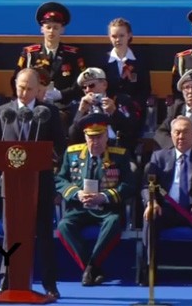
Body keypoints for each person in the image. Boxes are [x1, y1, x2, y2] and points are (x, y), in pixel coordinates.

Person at [0, 68, 66, 299]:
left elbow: (60, 148)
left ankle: (49, 284)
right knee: (10, 235)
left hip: (40, 184)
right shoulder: (4, 112)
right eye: (20, 87)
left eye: (29, 88)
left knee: (43, 234)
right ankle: (6, 280)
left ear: (38, 89)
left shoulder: (49, 113)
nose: (23, 92)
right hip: (12, 186)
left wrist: (47, 156)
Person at [56, 112, 134, 286]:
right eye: (91, 137)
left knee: (113, 222)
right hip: (80, 207)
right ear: (85, 137)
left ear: (107, 136)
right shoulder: (72, 153)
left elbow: (129, 185)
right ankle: (92, 268)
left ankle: (90, 268)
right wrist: (77, 193)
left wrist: (103, 197)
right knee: (63, 226)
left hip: (107, 209)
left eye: (99, 137)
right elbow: (60, 180)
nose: (95, 142)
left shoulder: (119, 155)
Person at [141, 116, 192, 288]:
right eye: (177, 132)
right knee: (150, 218)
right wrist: (151, 202)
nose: (181, 136)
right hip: (167, 208)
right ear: (171, 135)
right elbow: (147, 185)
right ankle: (150, 270)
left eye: (185, 132)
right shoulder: (158, 157)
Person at [12, 1, 86, 129]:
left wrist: (60, 94)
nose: (51, 31)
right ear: (42, 29)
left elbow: (80, 83)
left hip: (63, 106)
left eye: (56, 27)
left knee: (59, 119)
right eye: (48, 27)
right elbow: (15, 79)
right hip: (33, 102)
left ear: (62, 29)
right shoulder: (30, 54)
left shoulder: (73, 54)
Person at [69, 67, 139, 153]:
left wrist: (114, 112)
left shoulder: (121, 100)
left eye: (91, 85)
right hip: (90, 150)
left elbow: (132, 130)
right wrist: (81, 112)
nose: (87, 90)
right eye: (84, 87)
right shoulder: (78, 105)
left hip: (118, 149)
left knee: (132, 166)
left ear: (104, 85)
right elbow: (72, 137)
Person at [103, 18, 151, 136]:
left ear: (129, 35)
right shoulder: (103, 61)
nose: (118, 40)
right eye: (114, 36)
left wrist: (131, 105)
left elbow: (145, 89)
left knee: (130, 129)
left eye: (121, 35)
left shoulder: (140, 61)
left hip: (133, 111)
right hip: (109, 110)